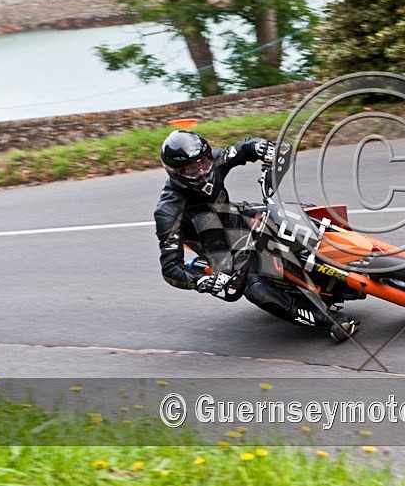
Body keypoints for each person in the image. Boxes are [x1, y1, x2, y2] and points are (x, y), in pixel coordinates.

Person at [154, 129, 359, 342]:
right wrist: (202, 281)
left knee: (298, 213)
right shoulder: (167, 212)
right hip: (219, 248)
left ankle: (352, 249)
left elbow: (242, 149)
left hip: (235, 215)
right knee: (255, 288)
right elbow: (170, 268)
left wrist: (262, 147)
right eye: (193, 169)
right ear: (176, 172)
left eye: (205, 162)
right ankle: (330, 321)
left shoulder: (214, 160)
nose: (204, 172)